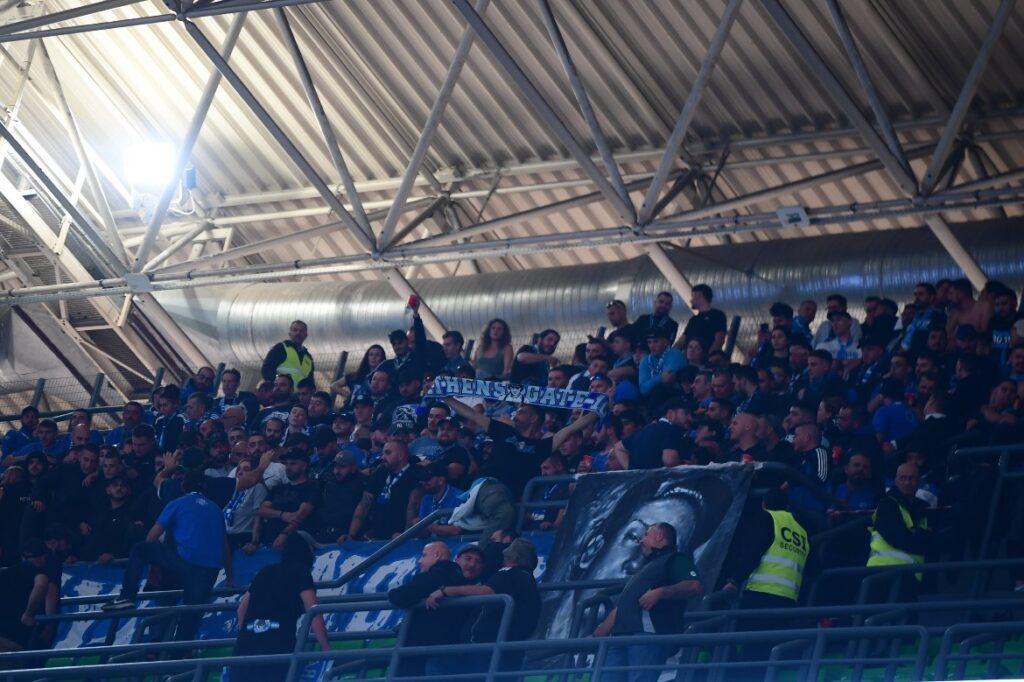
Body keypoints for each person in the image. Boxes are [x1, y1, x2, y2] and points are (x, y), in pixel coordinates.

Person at [104, 470, 234, 644]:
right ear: (204, 486)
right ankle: (179, 656)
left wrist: (154, 566)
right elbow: (224, 546)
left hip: (185, 560)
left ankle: (127, 596)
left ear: (183, 486)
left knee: (139, 549)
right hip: (210, 569)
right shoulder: (216, 509)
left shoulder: (178, 502)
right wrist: (230, 578)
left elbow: (152, 536)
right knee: (191, 616)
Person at [592, 522, 703, 682]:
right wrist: (596, 636)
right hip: (619, 637)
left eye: (646, 535)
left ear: (659, 536)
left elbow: (694, 586)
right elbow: (623, 607)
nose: (641, 541)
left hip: (646, 636)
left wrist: (661, 592)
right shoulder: (646, 569)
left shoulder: (675, 559)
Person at [425, 538, 542, 675]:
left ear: (511, 558)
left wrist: (446, 591)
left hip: (485, 649)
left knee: (438, 665)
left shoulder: (509, 572)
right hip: (508, 651)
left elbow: (486, 591)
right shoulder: (529, 583)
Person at [228, 534, 330, 682]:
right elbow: (314, 611)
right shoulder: (301, 572)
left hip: (245, 647)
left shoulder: (265, 572)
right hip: (277, 647)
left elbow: (241, 609)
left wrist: (250, 632)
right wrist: (326, 649)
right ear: (305, 550)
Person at [387, 541, 468, 677]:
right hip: (445, 645)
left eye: (424, 555)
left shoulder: (437, 574)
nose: (419, 561)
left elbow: (402, 596)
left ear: (437, 555)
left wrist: (392, 594)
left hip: (421, 646)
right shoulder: (460, 578)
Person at [866, 462, 933, 600]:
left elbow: (935, 541)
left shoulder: (925, 508)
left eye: (911, 478)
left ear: (919, 481)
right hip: (882, 574)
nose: (907, 482)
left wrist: (917, 536)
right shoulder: (886, 504)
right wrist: (922, 537)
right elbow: (898, 537)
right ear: (896, 481)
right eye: (903, 478)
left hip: (910, 577)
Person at [0, 539, 49, 652]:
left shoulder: (5, 573)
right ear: (43, 558)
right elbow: (41, 583)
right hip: (14, 639)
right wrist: (28, 613)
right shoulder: (37, 574)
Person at [677, 283, 727, 354]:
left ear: (699, 296)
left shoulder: (717, 315)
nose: (691, 300)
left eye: (692, 296)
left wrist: (709, 356)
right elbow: (682, 340)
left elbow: (719, 340)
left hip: (705, 357)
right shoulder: (694, 319)